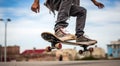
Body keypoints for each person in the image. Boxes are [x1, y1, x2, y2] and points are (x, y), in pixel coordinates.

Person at [31, 0, 104, 43]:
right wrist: (36, 2)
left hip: (66, 4)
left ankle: (80, 36)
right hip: (55, 2)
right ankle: (59, 29)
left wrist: (95, 2)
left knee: (82, 11)